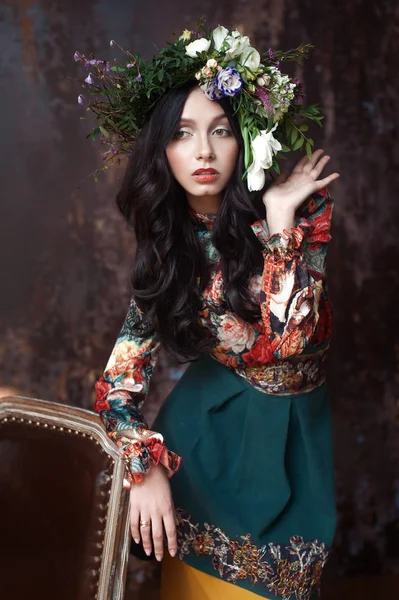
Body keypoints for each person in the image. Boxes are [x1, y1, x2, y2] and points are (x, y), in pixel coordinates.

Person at [86, 23, 340, 599]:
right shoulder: (169, 254)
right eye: (182, 134)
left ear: (248, 136)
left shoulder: (300, 210)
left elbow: (291, 342)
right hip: (203, 456)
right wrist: (144, 467)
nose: (203, 151)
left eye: (221, 131)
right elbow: (115, 390)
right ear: (162, 150)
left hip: (297, 442)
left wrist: (279, 220)